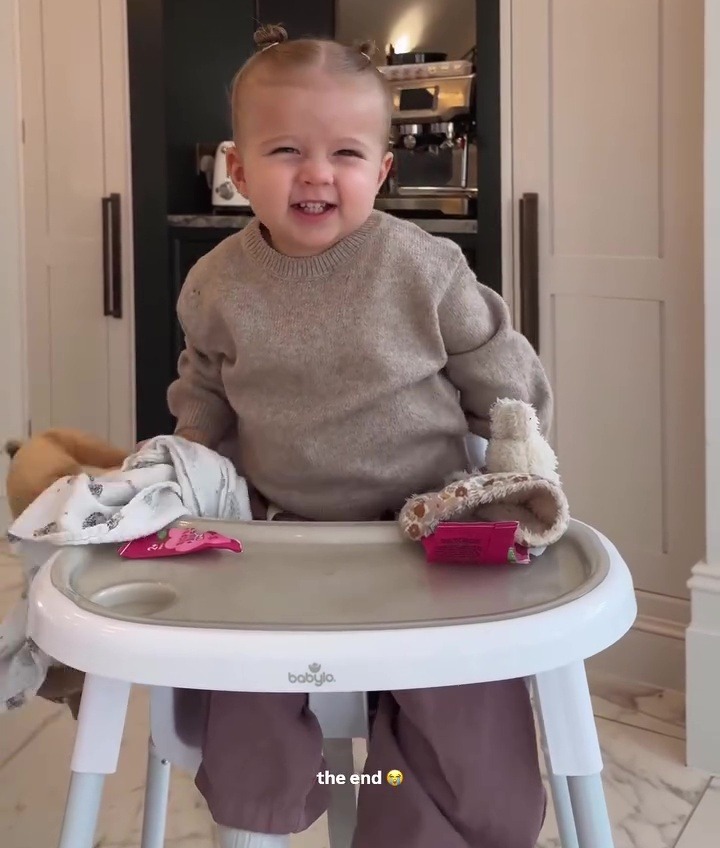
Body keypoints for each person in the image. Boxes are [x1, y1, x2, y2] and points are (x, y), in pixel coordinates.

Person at [167, 23, 552, 848]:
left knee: (460, 695)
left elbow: (497, 362)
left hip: (426, 529)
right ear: (237, 169)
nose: (316, 173)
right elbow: (203, 393)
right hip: (284, 536)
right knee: (242, 673)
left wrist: (513, 455)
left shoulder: (423, 266)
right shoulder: (216, 284)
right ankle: (265, 815)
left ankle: (414, 813)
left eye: (345, 154)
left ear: (381, 170)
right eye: (284, 152)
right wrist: (181, 472)